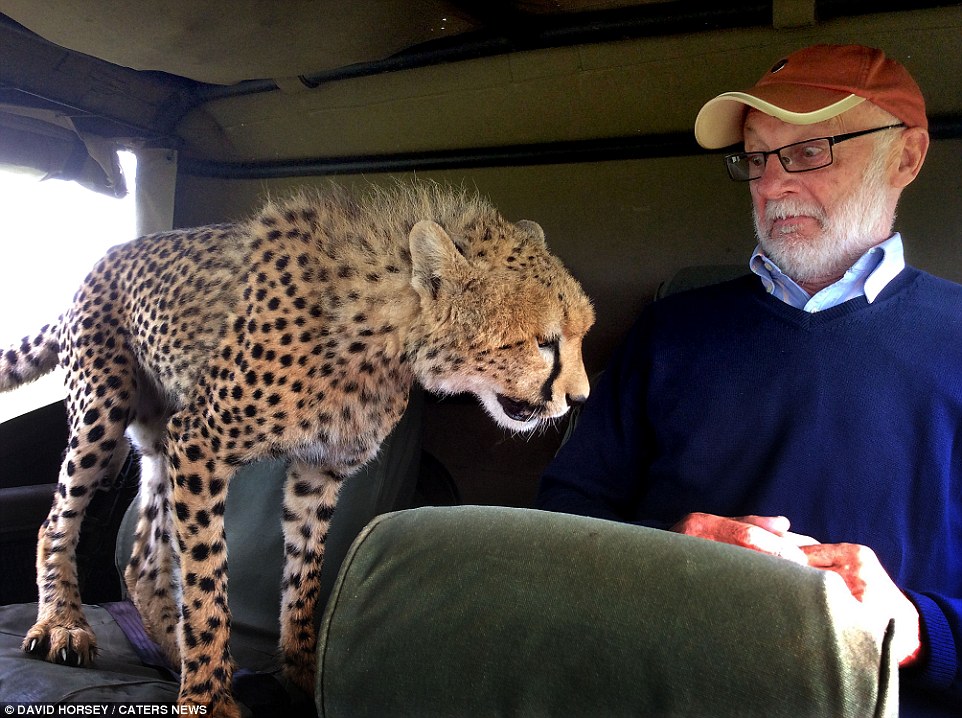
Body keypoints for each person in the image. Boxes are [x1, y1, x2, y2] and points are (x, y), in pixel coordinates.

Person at [536, 44, 960, 716]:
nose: (771, 185)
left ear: (905, 157)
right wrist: (667, 554)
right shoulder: (671, 331)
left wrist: (916, 627)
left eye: (810, 151)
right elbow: (558, 522)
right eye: (757, 157)